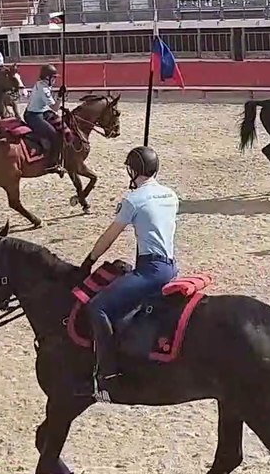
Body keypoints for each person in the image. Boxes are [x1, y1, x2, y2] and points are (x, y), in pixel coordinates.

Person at [82, 146, 178, 402]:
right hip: (170, 267)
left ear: (133, 171)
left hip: (151, 270)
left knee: (97, 308)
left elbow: (109, 237)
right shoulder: (171, 195)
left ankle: (108, 375)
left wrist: (89, 260)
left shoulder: (133, 200)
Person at [24, 65, 64, 173]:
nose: (55, 80)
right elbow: (55, 108)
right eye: (53, 77)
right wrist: (60, 96)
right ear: (47, 78)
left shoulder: (41, 84)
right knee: (54, 135)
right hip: (34, 116)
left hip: (39, 112)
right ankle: (52, 164)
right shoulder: (44, 89)